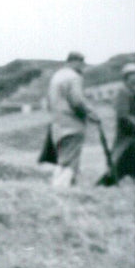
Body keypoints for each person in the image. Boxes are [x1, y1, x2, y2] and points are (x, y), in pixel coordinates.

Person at [45, 52, 102, 186]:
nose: (83, 65)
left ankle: (61, 187)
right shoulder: (74, 77)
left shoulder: (57, 76)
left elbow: (49, 102)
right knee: (70, 161)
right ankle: (61, 190)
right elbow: (77, 101)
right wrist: (91, 114)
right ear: (74, 61)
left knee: (63, 159)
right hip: (72, 124)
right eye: (81, 62)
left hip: (57, 123)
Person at [111, 62, 135, 181]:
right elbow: (123, 115)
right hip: (127, 133)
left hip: (134, 132)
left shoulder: (133, 90)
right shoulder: (122, 91)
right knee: (121, 158)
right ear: (127, 76)